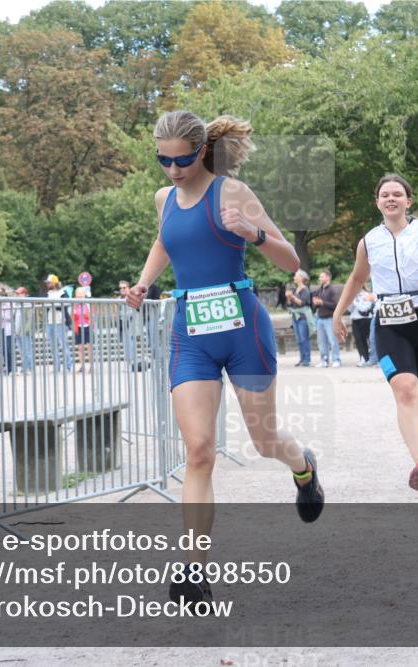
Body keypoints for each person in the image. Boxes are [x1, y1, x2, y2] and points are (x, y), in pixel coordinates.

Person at [124, 110, 324, 607]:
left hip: (242, 330)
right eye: (163, 161)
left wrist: (252, 233)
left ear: (201, 151)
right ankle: (194, 572)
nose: (173, 170)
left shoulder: (232, 192)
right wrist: (144, 284)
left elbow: (291, 261)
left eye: (182, 160)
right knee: (198, 451)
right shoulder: (163, 199)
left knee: (264, 441)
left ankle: (303, 467)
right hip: (191, 333)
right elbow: (165, 241)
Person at [333, 173, 418, 497]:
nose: (391, 198)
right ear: (377, 202)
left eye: (397, 194)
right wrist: (338, 312)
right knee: (405, 390)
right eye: (385, 194)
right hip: (389, 323)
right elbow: (357, 279)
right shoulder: (368, 241)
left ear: (408, 201)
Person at [312, 270, 342, 368]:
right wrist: (315, 303)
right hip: (320, 318)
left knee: (333, 340)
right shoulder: (319, 290)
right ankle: (324, 360)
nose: (320, 279)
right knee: (321, 342)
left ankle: (336, 359)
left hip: (330, 318)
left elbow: (335, 305)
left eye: (322, 276)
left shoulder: (332, 289)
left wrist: (322, 302)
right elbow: (316, 305)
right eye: (320, 277)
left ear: (328, 277)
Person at [43, 274, 73, 371]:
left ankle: (68, 366)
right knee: (53, 346)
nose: (47, 284)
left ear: (54, 283)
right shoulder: (48, 294)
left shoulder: (63, 292)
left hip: (60, 321)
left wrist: (53, 304)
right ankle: (57, 366)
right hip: (50, 321)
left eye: (49, 283)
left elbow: (65, 305)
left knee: (63, 344)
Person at [285, 270, 314, 367]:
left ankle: (307, 359)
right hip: (295, 317)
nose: (294, 278)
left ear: (301, 278)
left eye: (296, 276)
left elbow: (302, 303)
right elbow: (289, 304)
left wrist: (292, 296)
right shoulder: (294, 289)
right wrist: (288, 297)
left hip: (303, 317)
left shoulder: (305, 290)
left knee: (304, 338)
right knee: (299, 340)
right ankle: (302, 359)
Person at [350, 285, 377, 367]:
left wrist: (354, 302)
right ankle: (363, 358)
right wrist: (350, 303)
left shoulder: (367, 295)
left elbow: (364, 308)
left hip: (365, 320)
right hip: (355, 320)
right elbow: (349, 310)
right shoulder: (353, 296)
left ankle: (373, 359)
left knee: (370, 340)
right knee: (359, 341)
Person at [72, 286, 92, 373]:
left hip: (87, 326)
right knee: (80, 348)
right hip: (78, 327)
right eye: (78, 295)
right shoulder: (74, 305)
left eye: (81, 295)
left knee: (89, 347)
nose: (80, 297)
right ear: (76, 296)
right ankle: (82, 366)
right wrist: (74, 313)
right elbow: (72, 317)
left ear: (84, 295)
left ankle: (91, 365)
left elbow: (91, 316)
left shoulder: (88, 304)